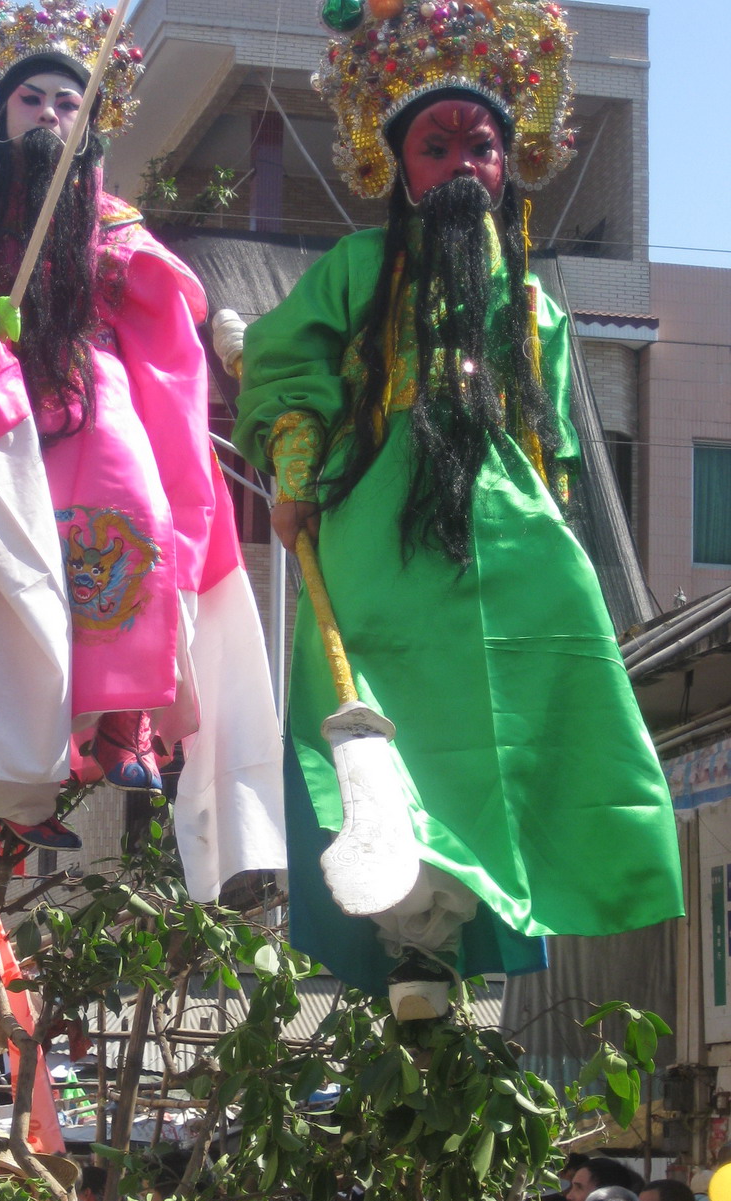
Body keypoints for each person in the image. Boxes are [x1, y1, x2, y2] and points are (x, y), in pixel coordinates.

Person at [233, 0, 681, 1019]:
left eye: (482, 147)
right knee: (383, 720)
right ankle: (415, 935)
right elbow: (286, 369)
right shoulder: (356, 269)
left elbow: (551, 444)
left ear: (509, 165)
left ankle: (485, 909)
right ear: (401, 168)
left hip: (509, 533)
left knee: (549, 704)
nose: (463, 166)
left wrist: (557, 528)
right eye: (437, 148)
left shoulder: (536, 304)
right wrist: (296, 468)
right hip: (380, 527)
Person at [0, 0, 284, 893]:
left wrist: (132, 270)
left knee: (137, 515)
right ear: (0, 114)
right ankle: (11, 763)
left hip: (90, 392)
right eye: (32, 101)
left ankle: (123, 720)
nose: (49, 118)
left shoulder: (110, 216)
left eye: (69, 105)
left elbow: (161, 309)